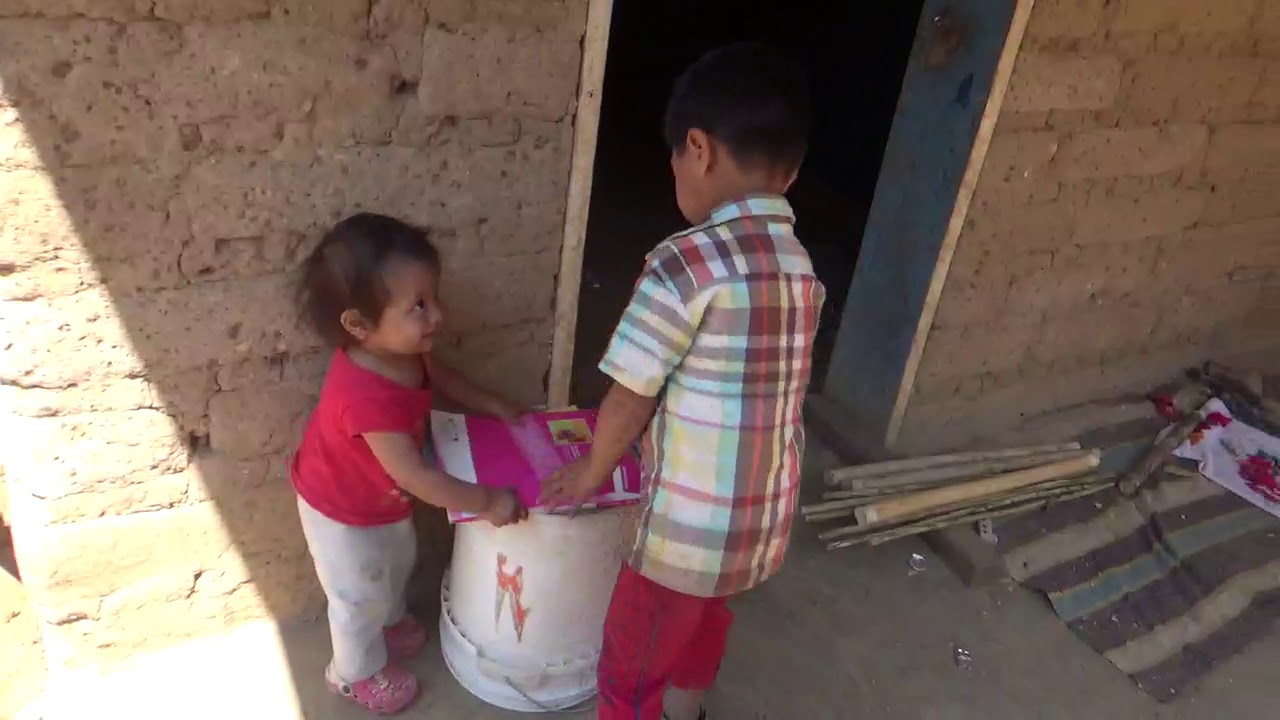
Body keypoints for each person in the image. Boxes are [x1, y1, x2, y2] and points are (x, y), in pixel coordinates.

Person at [541, 43, 823, 720]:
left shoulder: (683, 264)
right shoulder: (800, 265)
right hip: (762, 519)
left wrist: (589, 472)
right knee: (704, 621)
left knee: (631, 660)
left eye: (673, 156)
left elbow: (631, 395)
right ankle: (690, 710)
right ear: (793, 166)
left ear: (696, 148)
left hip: (686, 530)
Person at [291, 212, 528, 714]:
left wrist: (491, 402)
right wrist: (486, 501)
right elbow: (414, 474)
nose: (437, 315)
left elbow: (441, 377)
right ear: (358, 325)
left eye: (433, 298)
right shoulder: (364, 396)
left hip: (381, 502)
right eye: (418, 306)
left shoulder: (403, 353)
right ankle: (353, 672)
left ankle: (389, 618)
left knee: (395, 564)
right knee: (356, 595)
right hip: (340, 509)